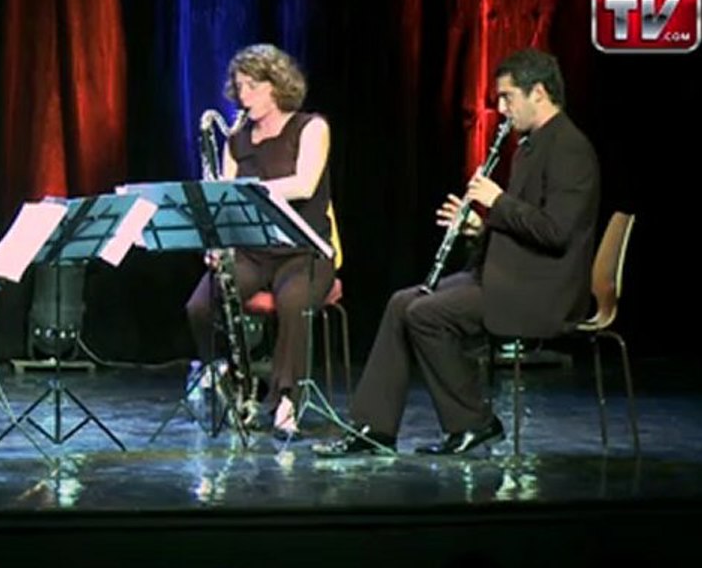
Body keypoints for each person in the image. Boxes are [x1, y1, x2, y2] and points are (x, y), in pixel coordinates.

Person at [313, 47, 601, 457]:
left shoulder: (569, 148)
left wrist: (497, 201)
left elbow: (556, 232)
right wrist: (479, 228)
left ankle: (473, 422)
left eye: (508, 98)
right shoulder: (533, 145)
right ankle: (372, 428)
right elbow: (526, 227)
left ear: (538, 92)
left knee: (426, 315)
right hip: (510, 276)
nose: (502, 110)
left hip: (539, 290)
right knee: (402, 303)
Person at [185, 43, 337, 439]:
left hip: (303, 250)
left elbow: (304, 184)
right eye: (239, 87)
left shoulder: (311, 127)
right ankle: (231, 380)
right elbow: (225, 202)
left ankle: (286, 402)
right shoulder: (237, 140)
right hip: (254, 251)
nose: (243, 95)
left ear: (276, 86)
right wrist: (217, 242)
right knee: (201, 305)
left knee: (293, 302)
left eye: (252, 86)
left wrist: (249, 191)